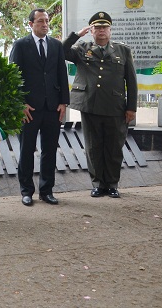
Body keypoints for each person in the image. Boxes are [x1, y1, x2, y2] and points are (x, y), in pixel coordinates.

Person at [62, 11, 137, 198]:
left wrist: (131, 107)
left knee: (113, 147)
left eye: (104, 27)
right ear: (91, 31)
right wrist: (76, 36)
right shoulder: (82, 48)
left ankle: (112, 184)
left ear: (110, 30)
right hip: (90, 105)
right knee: (93, 147)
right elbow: (61, 51)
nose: (101, 31)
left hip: (115, 106)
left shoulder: (122, 50)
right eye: (97, 28)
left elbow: (132, 81)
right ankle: (97, 184)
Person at [9, 8, 69, 206]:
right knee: (27, 150)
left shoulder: (56, 45)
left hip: (52, 107)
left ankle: (47, 190)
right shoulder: (20, 45)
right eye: (41, 21)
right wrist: (20, 103)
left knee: (49, 150)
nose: (45, 24)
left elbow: (61, 73)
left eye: (47, 21)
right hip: (29, 108)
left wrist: (63, 102)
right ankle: (26, 191)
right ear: (31, 24)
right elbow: (13, 77)